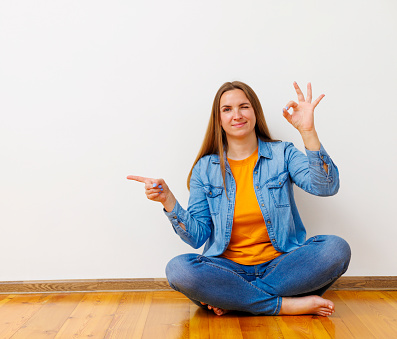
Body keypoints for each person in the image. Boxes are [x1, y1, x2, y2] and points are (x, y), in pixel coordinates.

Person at [127, 81, 351, 316]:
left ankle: (234, 298)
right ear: (219, 119)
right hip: (227, 270)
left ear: (255, 111)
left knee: (335, 248)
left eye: (244, 106)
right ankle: (284, 305)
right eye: (227, 109)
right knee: (179, 269)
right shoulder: (204, 169)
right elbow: (197, 237)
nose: (237, 115)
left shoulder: (282, 153)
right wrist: (168, 200)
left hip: (282, 266)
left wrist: (308, 132)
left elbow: (326, 187)